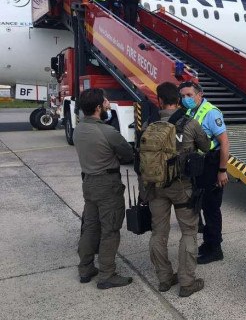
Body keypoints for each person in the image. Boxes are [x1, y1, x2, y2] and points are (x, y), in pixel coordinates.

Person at [147, 82, 211, 297]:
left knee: (159, 232)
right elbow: (206, 146)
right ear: (179, 100)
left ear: (159, 101)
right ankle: (186, 282)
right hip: (182, 187)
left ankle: (164, 279)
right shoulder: (190, 123)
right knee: (189, 232)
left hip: (155, 186)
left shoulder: (149, 123)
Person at [73, 88, 134, 289]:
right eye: (106, 102)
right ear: (99, 107)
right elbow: (127, 154)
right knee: (110, 229)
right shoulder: (108, 132)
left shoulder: (79, 129)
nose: (108, 104)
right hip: (107, 185)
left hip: (88, 183)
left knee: (90, 227)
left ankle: (86, 268)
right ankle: (107, 274)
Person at [179, 81, 229, 264]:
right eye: (183, 96)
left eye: (189, 95)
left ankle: (215, 248)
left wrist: (222, 170)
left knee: (212, 208)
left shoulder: (211, 112)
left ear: (200, 94)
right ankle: (208, 242)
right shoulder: (190, 111)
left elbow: (224, 142)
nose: (186, 99)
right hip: (198, 165)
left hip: (212, 164)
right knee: (202, 205)